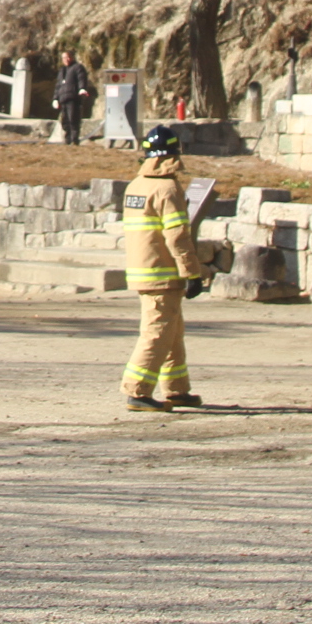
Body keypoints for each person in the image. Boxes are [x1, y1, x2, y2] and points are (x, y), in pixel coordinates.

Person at [118, 124, 211, 411]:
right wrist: (192, 272)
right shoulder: (167, 189)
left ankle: (177, 389)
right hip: (163, 274)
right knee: (157, 333)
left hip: (144, 271)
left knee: (172, 333)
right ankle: (137, 391)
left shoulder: (136, 186)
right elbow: (177, 236)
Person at [53, 50, 92, 145]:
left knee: (73, 119)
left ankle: (74, 140)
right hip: (63, 99)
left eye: (68, 57)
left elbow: (81, 79)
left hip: (73, 98)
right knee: (64, 121)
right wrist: (55, 98)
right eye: (64, 58)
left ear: (72, 57)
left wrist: (82, 88)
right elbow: (58, 86)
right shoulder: (62, 71)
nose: (66, 59)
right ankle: (67, 139)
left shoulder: (77, 67)